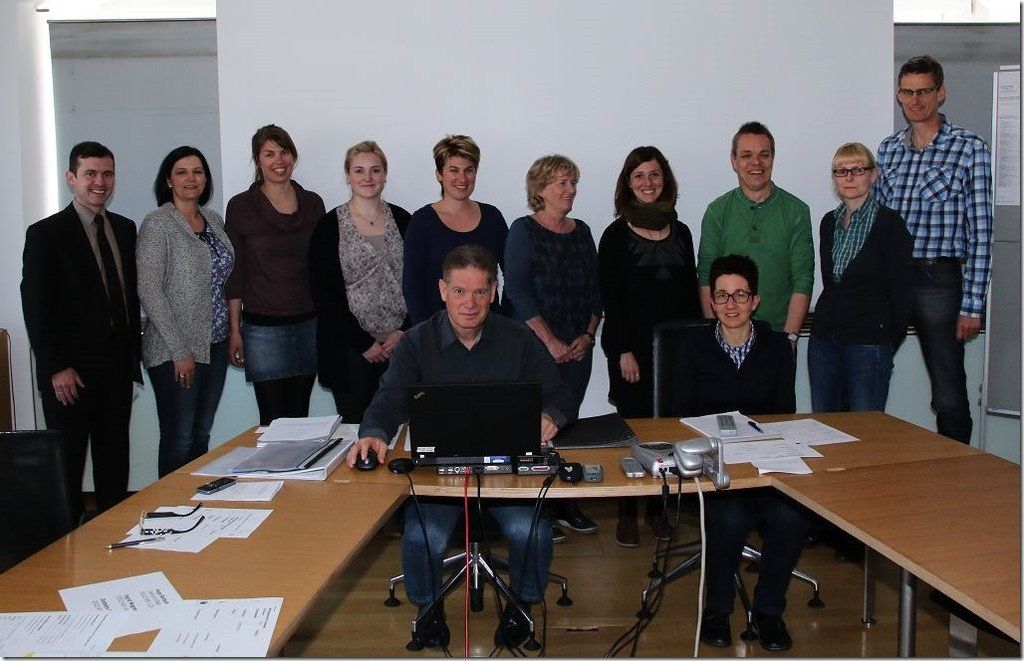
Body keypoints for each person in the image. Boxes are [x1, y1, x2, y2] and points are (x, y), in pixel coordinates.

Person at [348, 245, 575, 649]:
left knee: (531, 532)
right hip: (439, 475)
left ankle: (521, 606)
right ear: (442, 290)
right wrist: (374, 432)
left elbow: (560, 395)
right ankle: (427, 608)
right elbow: (388, 399)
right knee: (423, 537)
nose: (470, 303)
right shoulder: (416, 342)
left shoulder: (519, 339)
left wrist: (551, 416)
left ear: (494, 292)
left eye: (480, 292)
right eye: (459, 291)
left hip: (507, 472)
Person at [670, 254, 805, 652]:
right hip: (713, 467)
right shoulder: (692, 347)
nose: (731, 305)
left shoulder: (777, 347)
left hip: (764, 467)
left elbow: (784, 413)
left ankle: (769, 610)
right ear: (711, 301)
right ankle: (717, 609)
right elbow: (679, 417)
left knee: (792, 517)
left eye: (740, 295)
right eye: (722, 296)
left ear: (755, 300)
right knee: (730, 518)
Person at [21, 141, 142, 519]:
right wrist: (56, 367)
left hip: (116, 370)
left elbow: (127, 298)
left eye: (107, 174)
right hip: (69, 375)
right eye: (90, 174)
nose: (99, 182)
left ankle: (111, 538)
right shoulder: (46, 233)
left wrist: (132, 362)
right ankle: (67, 544)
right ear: (71, 178)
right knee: (68, 468)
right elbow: (36, 307)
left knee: (114, 465)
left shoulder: (124, 229)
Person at [876, 55, 993, 445]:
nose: (915, 100)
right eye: (908, 92)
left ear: (941, 93)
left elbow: (982, 230)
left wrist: (972, 304)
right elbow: (877, 220)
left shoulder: (969, 148)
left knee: (947, 390)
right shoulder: (888, 150)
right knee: (869, 368)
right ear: (898, 95)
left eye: (924, 91)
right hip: (892, 277)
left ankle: (957, 470)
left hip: (938, 277)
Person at [597, 146, 701, 547]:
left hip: (676, 352)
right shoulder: (614, 235)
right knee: (635, 432)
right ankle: (628, 511)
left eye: (654, 174)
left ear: (665, 180)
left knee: (668, 433)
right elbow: (611, 299)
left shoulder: (682, 231)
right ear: (628, 183)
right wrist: (622, 350)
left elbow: (690, 296)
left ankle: (658, 510)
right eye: (639, 175)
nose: (648, 182)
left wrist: (695, 348)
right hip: (632, 352)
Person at [503, 154, 601, 540]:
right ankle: (535, 508)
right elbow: (517, 290)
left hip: (578, 348)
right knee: (533, 427)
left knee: (567, 424)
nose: (570, 189)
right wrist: (550, 342)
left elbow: (596, 290)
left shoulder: (582, 231)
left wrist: (588, 336)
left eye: (573, 182)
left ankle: (565, 503)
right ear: (540, 188)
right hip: (532, 347)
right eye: (562, 182)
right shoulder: (523, 230)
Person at [137, 146, 234, 477]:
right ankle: (169, 503)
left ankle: (193, 501)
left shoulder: (213, 221)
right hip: (173, 350)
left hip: (215, 343)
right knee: (179, 437)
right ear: (168, 180)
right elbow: (149, 289)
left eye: (198, 171)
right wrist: (180, 351)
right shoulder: (158, 224)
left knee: (201, 434)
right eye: (182, 172)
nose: (191, 178)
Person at [224, 124, 326, 425]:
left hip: (308, 325)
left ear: (293, 156)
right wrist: (235, 330)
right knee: (272, 422)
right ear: (257, 160)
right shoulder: (241, 206)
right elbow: (235, 273)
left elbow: (322, 269)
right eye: (269, 154)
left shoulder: (313, 203)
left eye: (284, 152)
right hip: (262, 329)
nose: (279, 161)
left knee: (300, 419)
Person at [310, 140, 411, 422]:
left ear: (385, 174)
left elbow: (418, 282)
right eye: (359, 171)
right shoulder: (329, 226)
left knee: (399, 429)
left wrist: (403, 332)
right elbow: (323, 293)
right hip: (349, 351)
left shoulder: (405, 220)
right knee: (357, 432)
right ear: (348, 175)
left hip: (399, 347)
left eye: (375, 170)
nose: (368, 177)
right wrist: (363, 342)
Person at [809, 142, 912, 413]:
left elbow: (902, 293)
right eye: (841, 171)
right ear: (834, 178)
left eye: (857, 170)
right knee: (824, 426)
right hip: (824, 341)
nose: (849, 178)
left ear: (873, 175)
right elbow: (832, 284)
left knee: (865, 428)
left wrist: (884, 341)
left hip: (868, 344)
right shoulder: (828, 222)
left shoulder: (890, 223)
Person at [696, 122, 814, 346]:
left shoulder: (797, 211)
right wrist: (714, 339)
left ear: (773, 159)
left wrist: (789, 340)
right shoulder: (717, 212)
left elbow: (803, 279)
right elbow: (705, 276)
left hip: (778, 336)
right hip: (727, 339)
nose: (756, 162)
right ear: (734, 161)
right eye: (746, 155)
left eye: (764, 155)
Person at [403, 134, 508, 324]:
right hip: (438, 329)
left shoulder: (492, 217)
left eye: (469, 170)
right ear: (439, 174)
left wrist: (505, 320)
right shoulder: (422, 222)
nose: (462, 178)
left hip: (489, 328)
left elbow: (514, 275)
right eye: (454, 170)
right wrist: (427, 333)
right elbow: (412, 286)